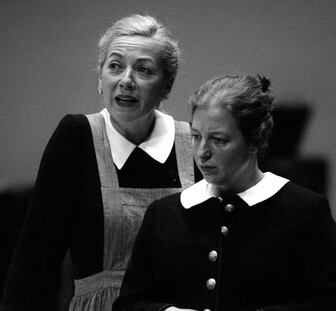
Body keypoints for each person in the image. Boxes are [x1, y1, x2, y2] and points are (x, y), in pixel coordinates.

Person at [0, 14, 199, 311]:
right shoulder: (76, 136)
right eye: (115, 66)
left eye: (143, 70)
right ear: (100, 78)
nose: (126, 80)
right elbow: (35, 259)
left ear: (167, 86)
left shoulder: (193, 143)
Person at [112, 74, 336, 311]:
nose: (202, 152)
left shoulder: (303, 211)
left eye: (219, 140)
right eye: (197, 137)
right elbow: (128, 304)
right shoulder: (164, 214)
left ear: (253, 140)